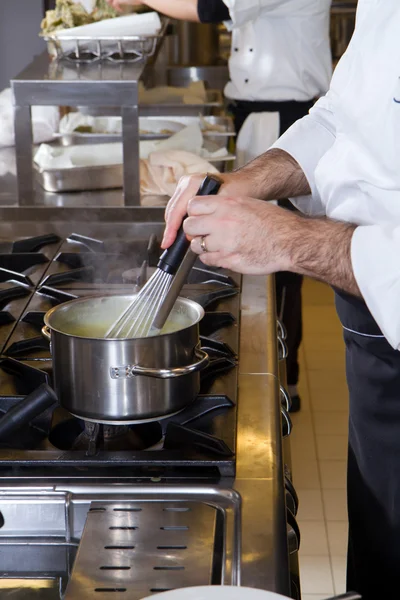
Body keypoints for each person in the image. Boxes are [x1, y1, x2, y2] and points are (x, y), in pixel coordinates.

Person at [161, 1, 400, 597]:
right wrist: (246, 182)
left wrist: (290, 240)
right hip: (373, 325)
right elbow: (341, 118)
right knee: (382, 544)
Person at [107, 0, 333, 412]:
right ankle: (281, 369)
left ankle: (286, 379)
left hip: (289, 125)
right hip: (258, 120)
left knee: (278, 267)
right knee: (268, 265)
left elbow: (209, 7)